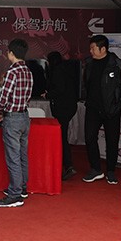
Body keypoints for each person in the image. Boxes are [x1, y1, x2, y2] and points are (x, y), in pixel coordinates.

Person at [82, 34, 121, 185]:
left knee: (112, 140)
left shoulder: (117, 64)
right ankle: (95, 169)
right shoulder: (89, 63)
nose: (90, 51)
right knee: (90, 138)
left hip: (112, 109)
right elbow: (85, 83)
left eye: (93, 48)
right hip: (92, 107)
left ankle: (111, 171)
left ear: (103, 48)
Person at [0, 38, 33, 208]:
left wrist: (1, 112)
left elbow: (4, 97)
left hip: (13, 118)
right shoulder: (28, 71)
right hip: (25, 116)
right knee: (22, 155)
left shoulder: (12, 72)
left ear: (11, 53)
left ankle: (15, 195)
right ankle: (22, 188)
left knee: (13, 158)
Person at [44, 51, 78, 181]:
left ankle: (68, 165)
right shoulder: (66, 69)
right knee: (62, 135)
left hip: (63, 108)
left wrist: (47, 95)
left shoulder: (57, 71)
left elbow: (59, 90)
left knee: (62, 137)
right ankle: (67, 165)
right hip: (69, 106)